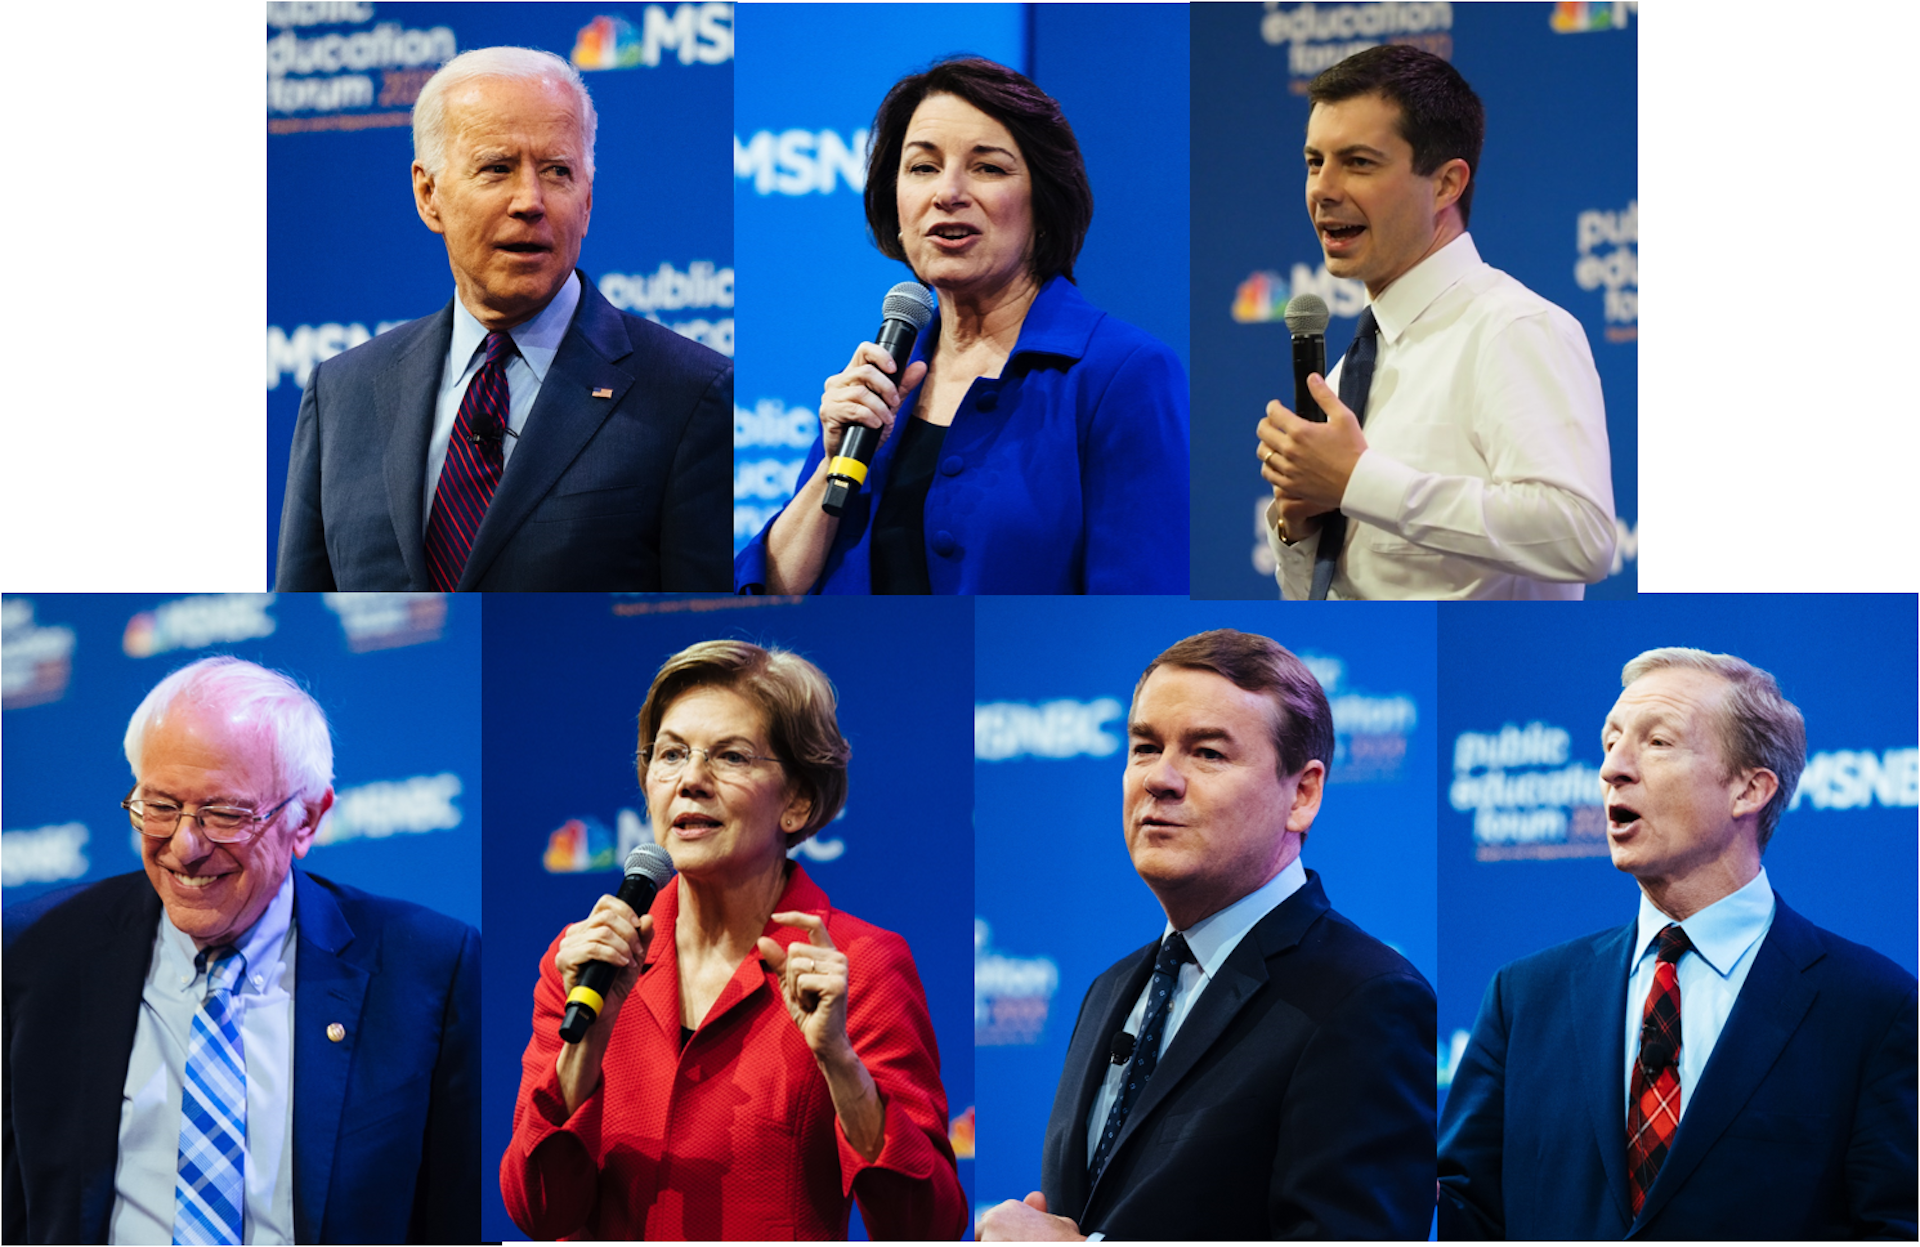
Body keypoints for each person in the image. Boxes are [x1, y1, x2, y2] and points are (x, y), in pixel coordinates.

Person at [1437, 648, 1917, 1238]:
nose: (1614, 768)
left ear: (1748, 788)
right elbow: (1468, 1214)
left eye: (1657, 742)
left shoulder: (1872, 1007)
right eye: (1611, 742)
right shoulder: (1524, 998)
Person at [2, 657, 479, 1244]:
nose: (185, 845)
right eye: (159, 806)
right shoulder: (31, 952)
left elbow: (455, 1217)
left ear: (307, 819)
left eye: (224, 814)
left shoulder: (427, 968)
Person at [977, 629, 1433, 1240]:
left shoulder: (1367, 999)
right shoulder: (1109, 990)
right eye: (1144, 747)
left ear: (1302, 793)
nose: (1159, 779)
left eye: (1208, 753)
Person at [500, 640, 965, 1239]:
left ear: (796, 802)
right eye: (670, 754)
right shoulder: (587, 957)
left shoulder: (858, 964)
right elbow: (537, 1211)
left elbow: (925, 1228)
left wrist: (840, 1064)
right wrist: (587, 1044)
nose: (690, 780)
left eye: (731, 757)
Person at [275, 45, 731, 593]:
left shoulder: (688, 393)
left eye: (557, 171)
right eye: (497, 169)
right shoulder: (341, 392)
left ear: (587, 198)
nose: (530, 201)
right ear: (428, 194)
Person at [734, 56, 1188, 595]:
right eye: (922, 168)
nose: (947, 192)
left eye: (988, 168)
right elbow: (774, 597)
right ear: (895, 204)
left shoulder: (1121, 374)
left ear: (1043, 205)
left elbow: (1138, 596)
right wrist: (832, 464)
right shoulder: (882, 375)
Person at [1255, 44, 1615, 600]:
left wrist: (1359, 481)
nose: (1323, 189)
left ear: (1446, 184)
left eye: (1358, 162)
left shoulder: (1511, 327)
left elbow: (1581, 534)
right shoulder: (1359, 361)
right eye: (1314, 161)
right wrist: (1297, 526)